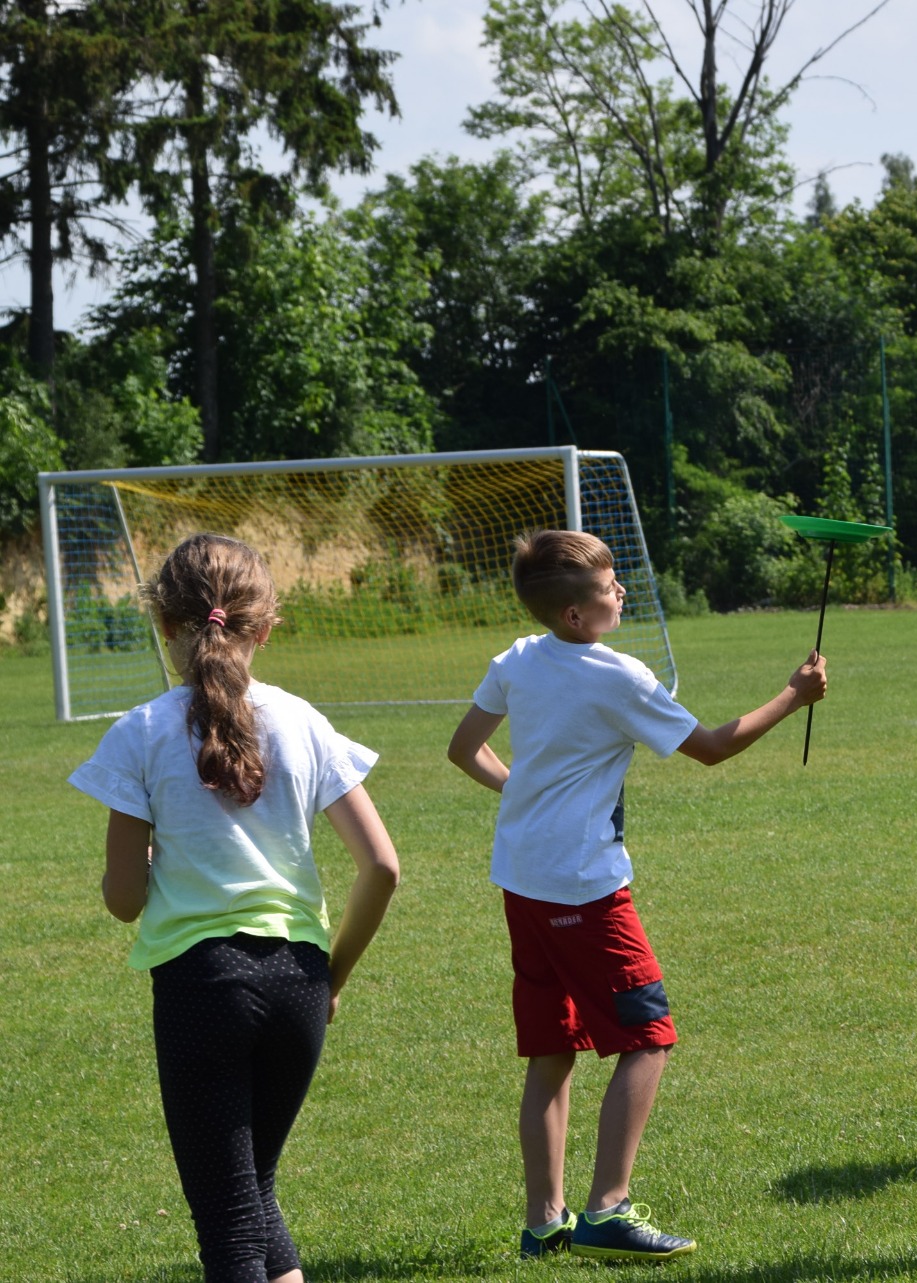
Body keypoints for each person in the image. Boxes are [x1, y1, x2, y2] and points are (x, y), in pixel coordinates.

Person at [447, 530, 827, 1263]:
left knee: (552, 1049)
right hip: (584, 889)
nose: (620, 590)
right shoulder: (616, 675)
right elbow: (713, 746)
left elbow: (464, 749)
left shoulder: (518, 658)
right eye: (607, 585)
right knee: (648, 1038)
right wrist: (794, 693)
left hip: (522, 880)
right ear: (572, 616)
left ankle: (543, 1222)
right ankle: (608, 1209)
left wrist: (521, 792)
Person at [69, 533, 401, 1283]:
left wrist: (149, 867)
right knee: (252, 1195)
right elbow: (381, 865)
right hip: (299, 984)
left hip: (201, 989)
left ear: (164, 625)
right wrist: (332, 977)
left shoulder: (141, 732)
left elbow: (124, 901)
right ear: (267, 624)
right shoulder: (305, 722)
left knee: (228, 1225)